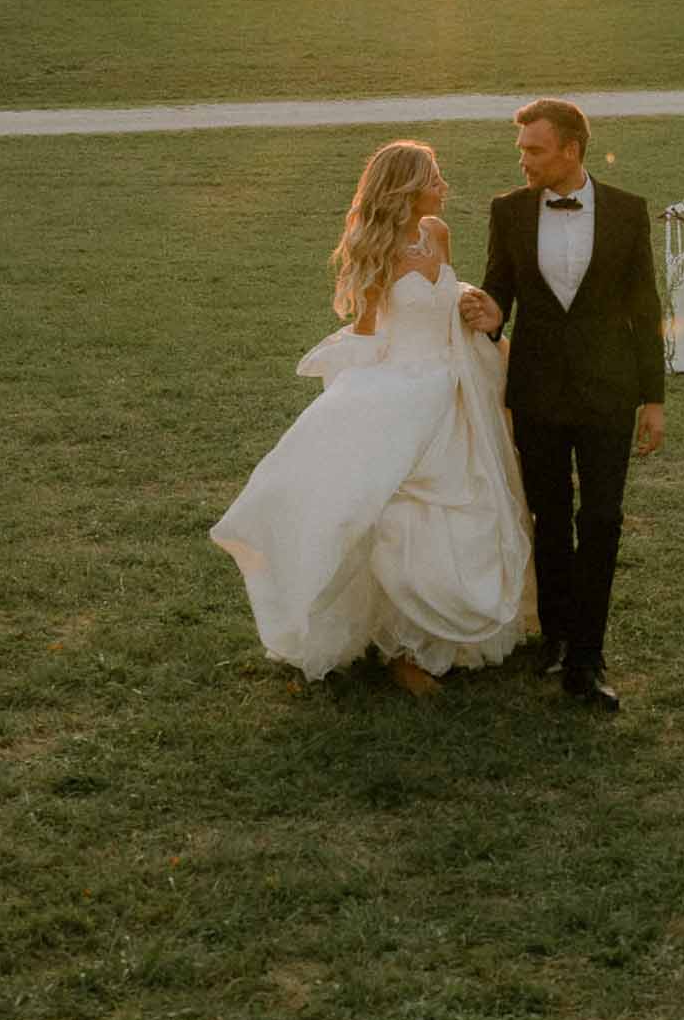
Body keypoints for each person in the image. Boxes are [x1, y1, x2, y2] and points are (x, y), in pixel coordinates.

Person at [211, 141, 531, 695]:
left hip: (455, 385)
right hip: (403, 391)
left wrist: (467, 302)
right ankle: (404, 649)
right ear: (408, 185)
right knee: (402, 518)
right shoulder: (376, 248)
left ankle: (447, 637)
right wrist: (354, 400)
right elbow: (368, 330)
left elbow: (446, 291)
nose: (444, 185)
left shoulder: (438, 233)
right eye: (435, 177)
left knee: (471, 505)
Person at [460, 97, 665, 712]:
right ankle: (554, 638)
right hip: (539, 390)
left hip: (609, 391)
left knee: (600, 520)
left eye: (534, 150)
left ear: (570, 150)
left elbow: (646, 308)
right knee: (548, 518)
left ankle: (588, 654)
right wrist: (491, 317)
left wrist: (653, 399)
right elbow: (498, 288)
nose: (523, 161)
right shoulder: (510, 211)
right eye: (522, 149)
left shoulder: (628, 212)